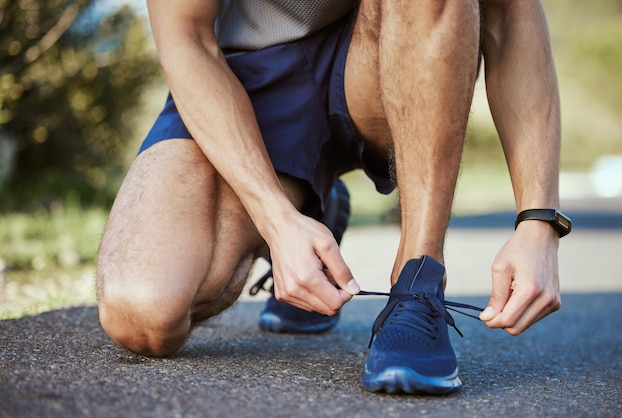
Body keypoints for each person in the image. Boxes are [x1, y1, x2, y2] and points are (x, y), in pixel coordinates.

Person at [96, 0, 570, 395]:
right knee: (143, 312)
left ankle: (418, 281)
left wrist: (538, 222)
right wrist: (276, 219)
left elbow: (511, 17)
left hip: (384, 48)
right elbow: (187, 40)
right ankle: (311, 205)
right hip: (242, 74)